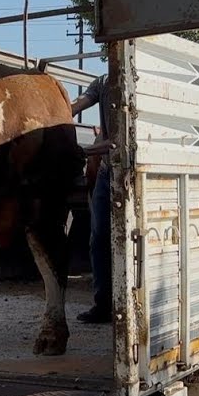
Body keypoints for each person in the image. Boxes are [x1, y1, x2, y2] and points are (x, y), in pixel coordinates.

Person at [70, 74, 113, 323]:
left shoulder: (139, 83)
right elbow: (77, 105)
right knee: (99, 238)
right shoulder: (103, 82)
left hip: (129, 169)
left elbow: (121, 141)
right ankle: (103, 304)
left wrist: (84, 151)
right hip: (107, 172)